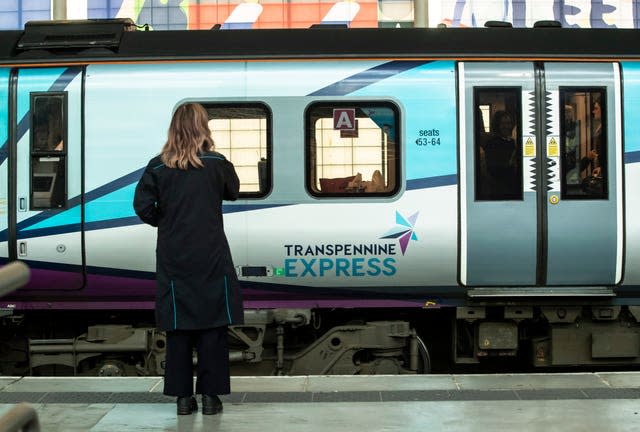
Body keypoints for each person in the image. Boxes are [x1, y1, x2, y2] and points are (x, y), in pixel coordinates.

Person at [133, 102, 243, 416]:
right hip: (210, 254)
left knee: (178, 329)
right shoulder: (217, 163)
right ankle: (210, 398)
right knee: (212, 327)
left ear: (173, 128)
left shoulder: (157, 166)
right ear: (203, 128)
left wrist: (165, 222)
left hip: (173, 256)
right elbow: (233, 191)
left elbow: (142, 206)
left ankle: (183, 400)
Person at [481, 110, 521, 199]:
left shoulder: (512, 142)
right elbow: (493, 169)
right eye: (503, 123)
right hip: (499, 188)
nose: (506, 126)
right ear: (497, 125)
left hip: (513, 186)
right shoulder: (492, 143)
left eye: (509, 123)